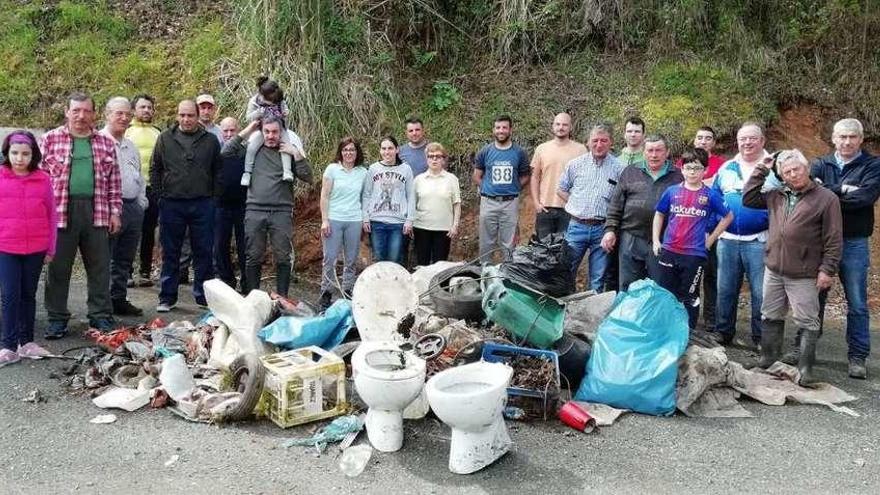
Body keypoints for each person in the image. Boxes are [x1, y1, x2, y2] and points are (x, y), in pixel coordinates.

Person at [743, 149, 842, 385]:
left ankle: (806, 370)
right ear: (782, 176)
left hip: (805, 272)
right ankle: (768, 360)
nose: (792, 174)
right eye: (786, 172)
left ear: (806, 169)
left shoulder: (827, 198)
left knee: (807, 320)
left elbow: (834, 238)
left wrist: (827, 269)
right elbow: (748, 198)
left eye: (796, 169)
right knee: (770, 314)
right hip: (775, 268)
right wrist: (762, 168)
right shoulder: (777, 194)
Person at [41, 92, 122, 338]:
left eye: (86, 111)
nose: (81, 116)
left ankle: (100, 316)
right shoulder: (49, 139)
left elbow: (114, 182)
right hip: (60, 212)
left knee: (99, 269)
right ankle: (56, 318)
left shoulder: (105, 143)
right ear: (67, 112)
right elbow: (39, 181)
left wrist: (115, 211)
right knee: (58, 269)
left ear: (94, 114)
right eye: (76, 110)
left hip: (96, 210)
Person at [809, 118, 880, 379]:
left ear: (861, 139)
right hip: (822, 240)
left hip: (854, 241)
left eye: (852, 137)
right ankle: (805, 349)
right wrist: (843, 189)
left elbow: (865, 198)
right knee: (814, 296)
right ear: (833, 138)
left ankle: (858, 356)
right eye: (842, 136)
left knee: (857, 302)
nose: (847, 141)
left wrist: (829, 193)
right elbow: (811, 194)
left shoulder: (873, 165)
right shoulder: (820, 163)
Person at [223, 115, 312, 297]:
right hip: (255, 210)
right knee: (253, 256)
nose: (271, 136)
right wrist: (248, 130)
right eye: (267, 131)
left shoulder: (287, 151)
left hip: (281, 211)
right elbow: (226, 151)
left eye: (274, 132)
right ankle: (254, 298)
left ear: (281, 133)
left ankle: (282, 299)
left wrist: (295, 153)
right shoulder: (252, 149)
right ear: (262, 131)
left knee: (282, 256)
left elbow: (308, 176)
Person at [711, 122, 780, 347]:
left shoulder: (775, 167)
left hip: (760, 240)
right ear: (737, 142)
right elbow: (713, 198)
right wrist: (713, 229)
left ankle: (761, 338)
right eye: (743, 139)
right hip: (728, 240)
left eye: (752, 138)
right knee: (725, 290)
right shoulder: (727, 167)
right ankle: (723, 332)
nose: (747, 143)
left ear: (762, 141)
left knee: (761, 293)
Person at [150, 100, 222, 311]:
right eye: (182, 115)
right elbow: (155, 168)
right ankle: (167, 297)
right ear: (177, 115)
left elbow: (218, 171)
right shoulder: (165, 138)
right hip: (172, 203)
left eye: (190, 115)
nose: (186, 119)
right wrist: (159, 195)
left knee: (204, 251)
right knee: (170, 251)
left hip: (203, 204)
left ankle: (203, 297)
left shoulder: (210, 141)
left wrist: (214, 198)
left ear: (198, 116)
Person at [652, 148, 733, 330]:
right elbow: (659, 214)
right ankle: (666, 330)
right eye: (688, 168)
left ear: (705, 170)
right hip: (669, 251)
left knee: (689, 295)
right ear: (682, 169)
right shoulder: (672, 191)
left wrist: (710, 240)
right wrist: (656, 241)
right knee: (665, 293)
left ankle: (688, 332)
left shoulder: (710, 195)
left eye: (697, 168)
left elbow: (728, 217)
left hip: (694, 254)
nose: (692, 172)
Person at [0, 131, 56, 366]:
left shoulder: (43, 179)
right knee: (10, 295)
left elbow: (52, 215)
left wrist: (50, 248)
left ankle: (27, 342)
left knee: (28, 295)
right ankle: (8, 345)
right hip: (6, 247)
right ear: (7, 153)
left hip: (36, 247)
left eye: (25, 153)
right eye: (14, 153)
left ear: (33, 155)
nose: (19, 158)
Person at [601, 134, 683, 291]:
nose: (654, 155)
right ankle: (628, 316)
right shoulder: (630, 172)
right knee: (629, 287)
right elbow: (615, 205)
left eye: (659, 150)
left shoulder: (678, 176)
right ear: (643, 152)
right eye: (650, 150)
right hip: (631, 237)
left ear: (667, 152)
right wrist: (610, 230)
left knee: (660, 288)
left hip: (663, 240)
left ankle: (656, 316)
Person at [557, 124, 623, 291]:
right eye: (595, 140)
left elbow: (622, 199)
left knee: (598, 277)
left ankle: (592, 313)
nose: (599, 145)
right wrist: (575, 203)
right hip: (576, 226)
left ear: (611, 143)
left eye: (603, 141)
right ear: (587, 142)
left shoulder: (619, 168)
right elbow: (561, 189)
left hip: (602, 229)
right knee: (566, 271)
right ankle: (565, 308)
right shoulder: (575, 165)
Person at [101, 97, 148, 317]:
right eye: (119, 113)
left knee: (124, 259)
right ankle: (101, 305)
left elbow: (139, 176)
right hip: (109, 208)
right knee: (104, 257)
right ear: (107, 114)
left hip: (132, 207)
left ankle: (118, 298)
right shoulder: (98, 142)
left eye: (127, 114)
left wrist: (141, 202)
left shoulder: (130, 146)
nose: (124, 117)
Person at [319, 137, 368, 310]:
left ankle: (348, 290)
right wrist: (325, 220)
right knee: (330, 258)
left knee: (351, 259)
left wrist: (364, 219)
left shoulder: (363, 172)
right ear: (340, 152)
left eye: (352, 150)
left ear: (357, 153)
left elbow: (365, 197)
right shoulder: (332, 169)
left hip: (354, 220)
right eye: (345, 150)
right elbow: (324, 195)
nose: (348, 153)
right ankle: (326, 292)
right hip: (334, 219)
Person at [473, 115, 530, 261]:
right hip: (488, 202)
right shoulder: (485, 152)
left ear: (510, 129)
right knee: (486, 242)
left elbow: (525, 176)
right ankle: (485, 272)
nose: (501, 131)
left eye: (504, 127)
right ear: (493, 130)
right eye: (498, 128)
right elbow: (476, 176)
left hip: (510, 202)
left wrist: (515, 187)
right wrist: (486, 188)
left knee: (509, 243)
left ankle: (509, 275)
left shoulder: (519, 153)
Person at [531, 112, 587, 239]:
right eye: (558, 124)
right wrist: (536, 203)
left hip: (569, 209)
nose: (561, 127)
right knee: (543, 251)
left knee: (565, 251)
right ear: (553, 126)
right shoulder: (542, 149)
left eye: (564, 125)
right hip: (545, 208)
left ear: (570, 127)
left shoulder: (581, 150)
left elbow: (585, 179)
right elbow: (534, 177)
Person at [362, 136, 415, 264]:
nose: (387, 152)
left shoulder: (406, 169)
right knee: (379, 259)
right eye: (384, 148)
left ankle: (395, 284)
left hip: (398, 223)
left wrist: (409, 219)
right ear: (380, 151)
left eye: (390, 148)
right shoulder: (373, 169)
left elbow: (411, 195)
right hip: (377, 221)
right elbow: (367, 194)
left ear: (397, 150)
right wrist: (365, 217)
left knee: (395, 259)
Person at [126, 94, 161, 287]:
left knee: (149, 232)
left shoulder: (158, 132)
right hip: (131, 190)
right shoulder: (127, 131)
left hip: (152, 188)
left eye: (150, 107)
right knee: (131, 231)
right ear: (134, 110)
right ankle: (127, 271)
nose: (147, 110)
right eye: (142, 107)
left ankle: (145, 271)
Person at [241, 77, 300, 186]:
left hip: (279, 129)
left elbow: (285, 108)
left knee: (286, 147)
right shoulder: (255, 101)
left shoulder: (278, 99)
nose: (272, 104)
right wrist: (259, 112)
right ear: (262, 96)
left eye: (274, 102)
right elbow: (249, 118)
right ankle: (247, 173)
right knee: (251, 148)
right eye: (270, 102)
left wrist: (285, 113)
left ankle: (287, 171)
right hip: (262, 130)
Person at [413, 142, 461, 266]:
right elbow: (413, 204)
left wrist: (455, 225)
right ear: (426, 159)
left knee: (440, 266)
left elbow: (456, 204)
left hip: (443, 229)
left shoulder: (451, 179)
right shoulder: (418, 180)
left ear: (443, 159)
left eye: (438, 156)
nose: (434, 159)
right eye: (431, 156)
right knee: (422, 265)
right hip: (421, 227)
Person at [215, 117, 248, 292]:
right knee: (220, 245)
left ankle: (246, 283)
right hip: (220, 205)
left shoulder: (246, 151)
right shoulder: (217, 151)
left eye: (232, 130)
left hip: (243, 205)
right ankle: (227, 281)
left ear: (238, 130)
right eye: (225, 131)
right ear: (221, 132)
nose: (229, 134)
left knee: (245, 246)